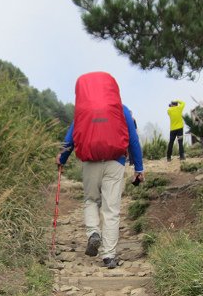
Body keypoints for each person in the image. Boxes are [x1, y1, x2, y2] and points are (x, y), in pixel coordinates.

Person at [57, 104, 144, 269]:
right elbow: (133, 139)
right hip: (115, 162)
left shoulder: (84, 109)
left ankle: (93, 233)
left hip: (91, 162)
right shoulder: (122, 109)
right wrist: (138, 168)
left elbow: (70, 139)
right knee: (111, 209)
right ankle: (109, 256)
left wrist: (62, 158)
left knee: (91, 200)